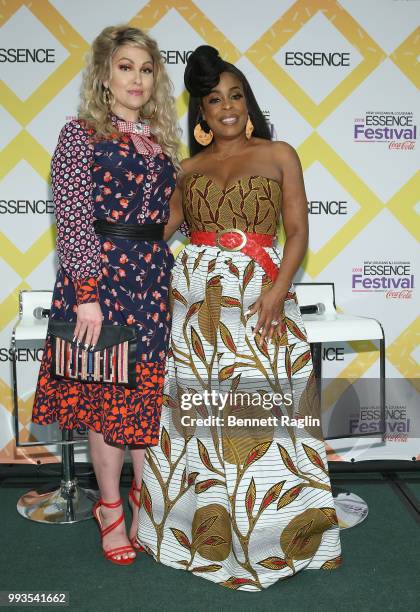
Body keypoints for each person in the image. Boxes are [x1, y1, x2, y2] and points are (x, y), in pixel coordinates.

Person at [137, 45, 341, 590]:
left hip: (259, 300)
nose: (226, 106)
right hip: (196, 308)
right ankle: (199, 534)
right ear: (200, 113)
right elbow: (161, 233)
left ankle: (272, 538)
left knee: (258, 421)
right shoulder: (186, 169)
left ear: (247, 102)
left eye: (235, 95)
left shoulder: (279, 155)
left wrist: (278, 292)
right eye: (213, 99)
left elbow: (296, 233)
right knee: (199, 423)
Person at [32, 25, 179, 565]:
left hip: (150, 283)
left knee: (144, 402)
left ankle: (146, 509)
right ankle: (111, 510)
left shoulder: (163, 141)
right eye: (125, 66)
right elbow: (72, 218)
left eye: (145, 68)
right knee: (105, 404)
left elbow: (168, 220)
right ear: (104, 75)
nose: (136, 78)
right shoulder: (79, 134)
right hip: (99, 284)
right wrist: (87, 294)